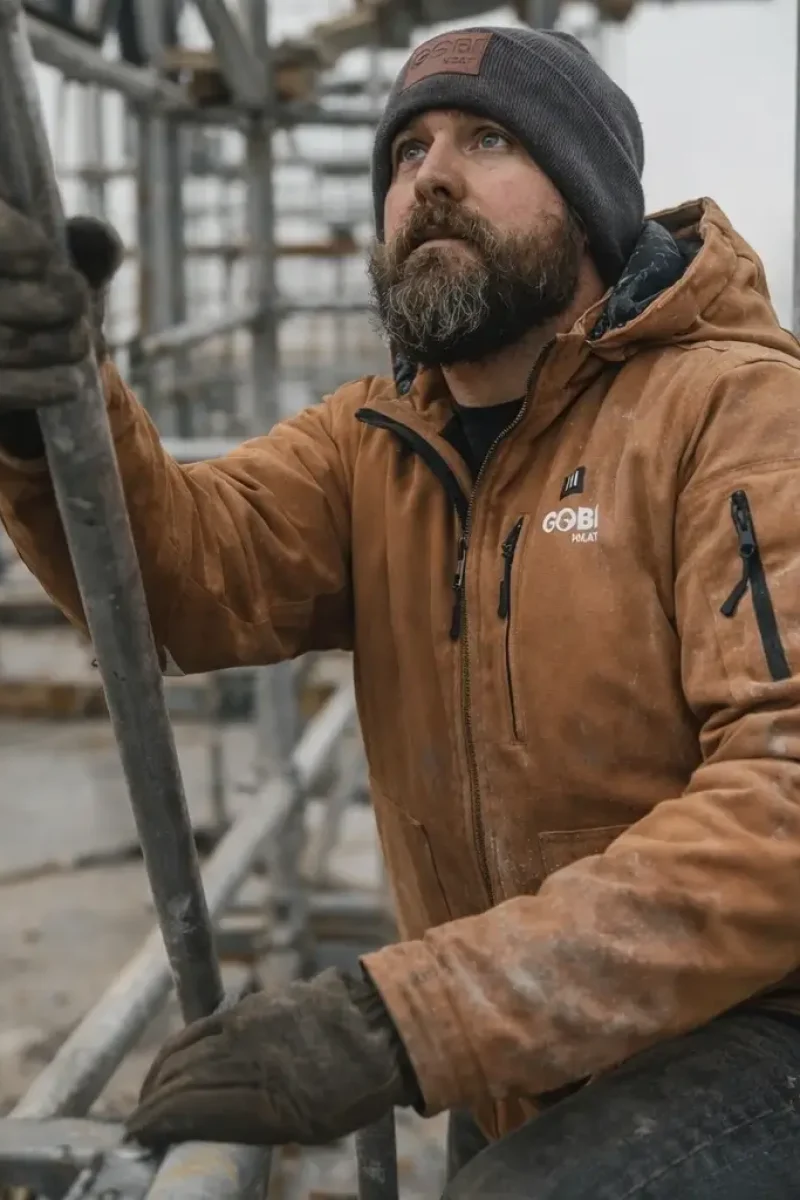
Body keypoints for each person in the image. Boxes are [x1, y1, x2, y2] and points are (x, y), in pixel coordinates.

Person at [2, 23, 800, 1199]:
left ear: (588, 203)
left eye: (487, 140)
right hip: (522, 1053)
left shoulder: (733, 414)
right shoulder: (373, 444)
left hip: (753, 1032)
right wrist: (49, 420)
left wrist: (396, 1019)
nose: (428, 176)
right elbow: (183, 585)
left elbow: (784, 803)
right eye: (404, 151)